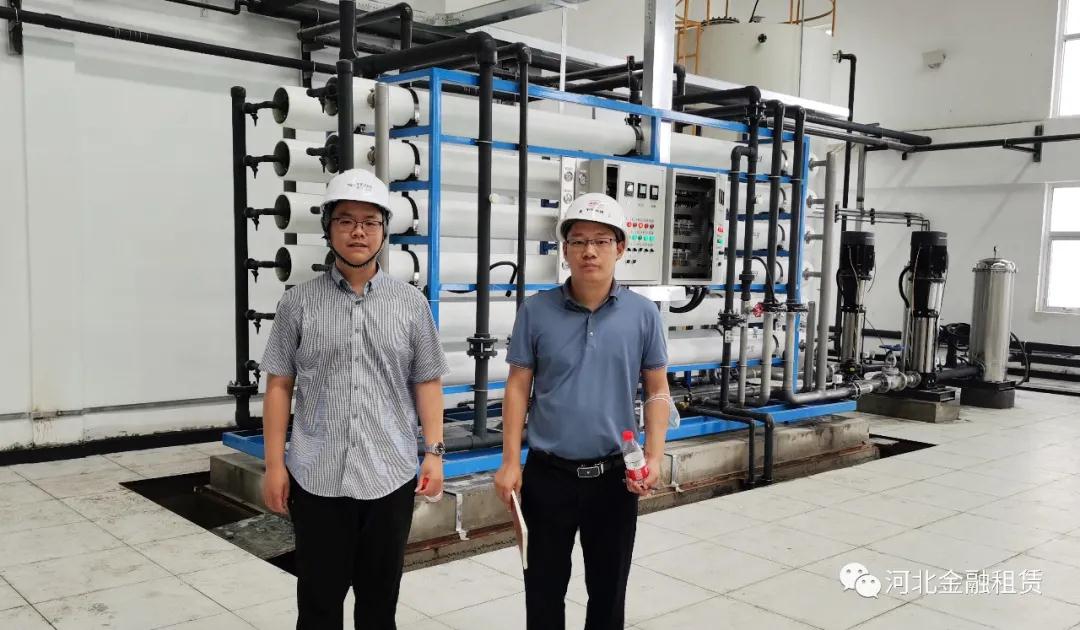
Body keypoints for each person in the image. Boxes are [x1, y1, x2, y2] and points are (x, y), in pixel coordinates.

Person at [259, 168, 449, 630]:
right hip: (316, 479)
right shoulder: (298, 303)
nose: (358, 231)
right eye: (346, 220)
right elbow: (279, 385)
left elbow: (427, 382)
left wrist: (434, 453)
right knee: (318, 605)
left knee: (379, 607)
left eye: (370, 221)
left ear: (384, 230)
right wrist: (274, 465)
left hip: (389, 476)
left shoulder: (411, 304)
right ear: (329, 228)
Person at [494, 192, 671, 630]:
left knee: (608, 594)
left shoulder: (643, 314)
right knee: (543, 592)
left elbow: (657, 390)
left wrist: (654, 456)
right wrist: (511, 461)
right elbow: (517, 387)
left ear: (620, 248)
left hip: (615, 479)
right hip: (548, 476)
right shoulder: (536, 311)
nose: (589, 251)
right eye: (578, 241)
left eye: (601, 241)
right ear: (565, 249)